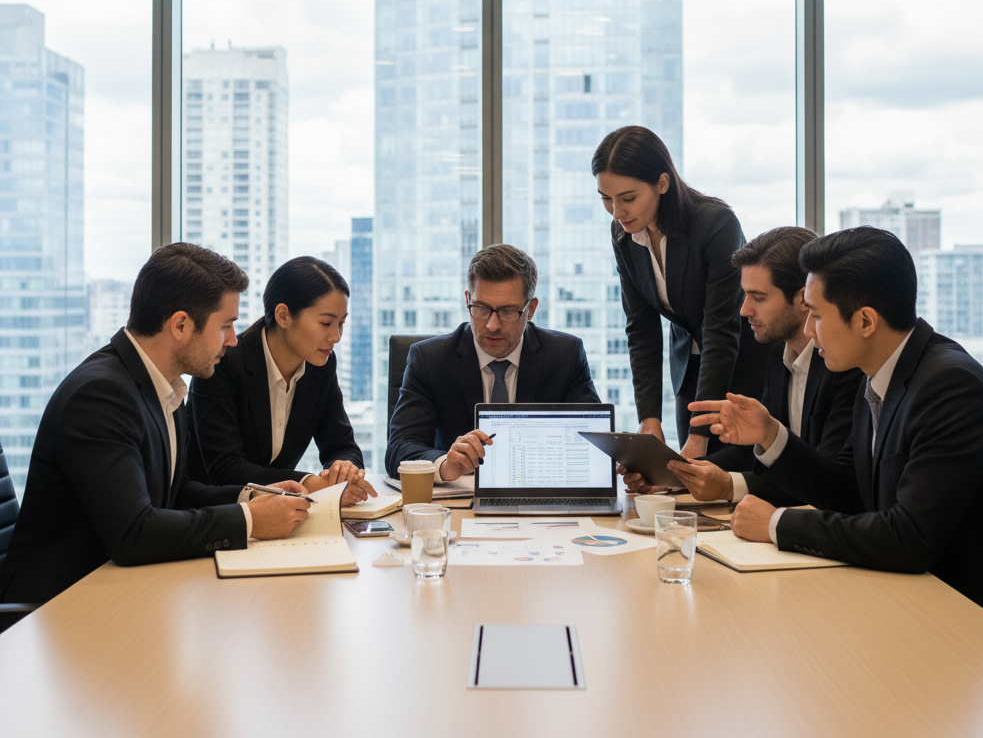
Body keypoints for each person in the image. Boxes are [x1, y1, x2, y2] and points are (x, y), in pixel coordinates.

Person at [690, 227, 983, 609]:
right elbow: (849, 491)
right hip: (903, 592)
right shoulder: (879, 374)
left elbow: (908, 537)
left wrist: (776, 524)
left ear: (865, 321)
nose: (807, 330)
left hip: (969, 613)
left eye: (816, 315)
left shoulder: (950, 386)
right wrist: (770, 435)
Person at [0, 244, 312, 605]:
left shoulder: (163, 385)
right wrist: (250, 520)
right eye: (225, 325)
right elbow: (134, 533)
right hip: (56, 609)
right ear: (180, 325)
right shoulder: (100, 396)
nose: (232, 340)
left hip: (118, 590)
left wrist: (252, 496)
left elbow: (174, 493)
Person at [622, 226, 861, 504]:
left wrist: (729, 486)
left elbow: (824, 480)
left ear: (802, 299)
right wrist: (674, 475)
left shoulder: (844, 366)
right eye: (744, 294)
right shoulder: (775, 353)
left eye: (758, 297)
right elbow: (756, 451)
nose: (744, 310)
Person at [592, 125, 769, 459]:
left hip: (742, 366)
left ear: (662, 183)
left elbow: (720, 330)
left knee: (726, 472)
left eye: (628, 198)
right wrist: (649, 419)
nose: (617, 212)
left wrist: (699, 435)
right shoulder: (623, 234)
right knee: (689, 477)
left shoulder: (716, 224)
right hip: (689, 366)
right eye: (606, 199)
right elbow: (641, 330)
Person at [385, 244, 601, 481]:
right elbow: (400, 448)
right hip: (459, 503)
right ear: (468, 299)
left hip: (540, 495)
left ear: (531, 310)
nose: (492, 325)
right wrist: (446, 464)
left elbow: (594, 440)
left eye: (508, 312)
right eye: (481, 308)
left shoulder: (564, 355)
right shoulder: (430, 360)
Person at [187, 256, 376, 507]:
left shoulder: (321, 364)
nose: (336, 336)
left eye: (341, 323)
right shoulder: (224, 363)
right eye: (326, 323)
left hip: (280, 515)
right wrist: (311, 483)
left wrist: (344, 468)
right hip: (216, 516)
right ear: (283, 315)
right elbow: (226, 469)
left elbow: (342, 445)